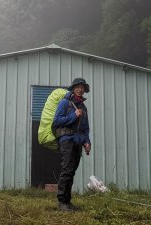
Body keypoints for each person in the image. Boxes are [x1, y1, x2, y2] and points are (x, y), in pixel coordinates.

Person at [52, 77, 91, 211]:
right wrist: (73, 115)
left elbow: (85, 128)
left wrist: (87, 142)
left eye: (82, 88)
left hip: (78, 142)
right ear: (73, 88)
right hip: (66, 139)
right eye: (77, 87)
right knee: (67, 170)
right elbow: (57, 121)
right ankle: (62, 202)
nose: (80, 89)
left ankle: (67, 202)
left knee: (72, 171)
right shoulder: (65, 103)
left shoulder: (84, 107)